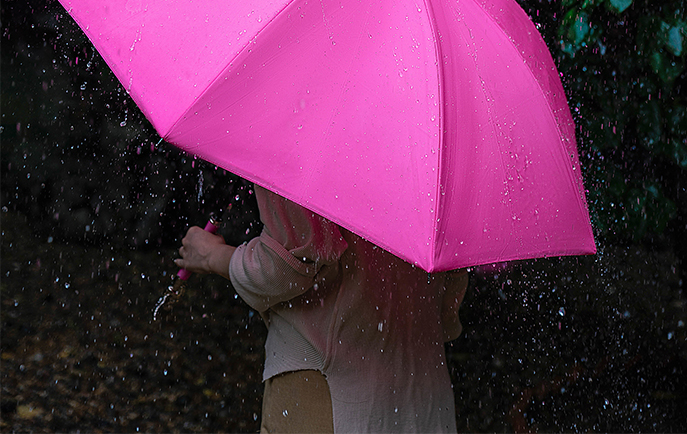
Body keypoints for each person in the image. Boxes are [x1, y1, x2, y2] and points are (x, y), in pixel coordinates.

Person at [176, 184, 469, 434]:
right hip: (425, 395)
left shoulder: (302, 127)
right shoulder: (438, 143)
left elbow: (284, 267)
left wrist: (213, 256)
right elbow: (452, 274)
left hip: (325, 393)